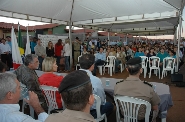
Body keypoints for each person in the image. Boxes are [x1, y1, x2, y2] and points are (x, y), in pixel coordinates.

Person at [114, 57, 160, 122]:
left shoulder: (118, 85)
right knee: (157, 109)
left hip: (125, 117)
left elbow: (117, 104)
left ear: (127, 70)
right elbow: (155, 107)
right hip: (142, 119)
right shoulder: (148, 88)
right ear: (141, 70)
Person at [79, 54, 113, 119]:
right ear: (92, 65)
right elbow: (102, 100)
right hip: (91, 112)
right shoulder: (95, 80)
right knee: (109, 105)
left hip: (74, 110)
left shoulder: (70, 77)